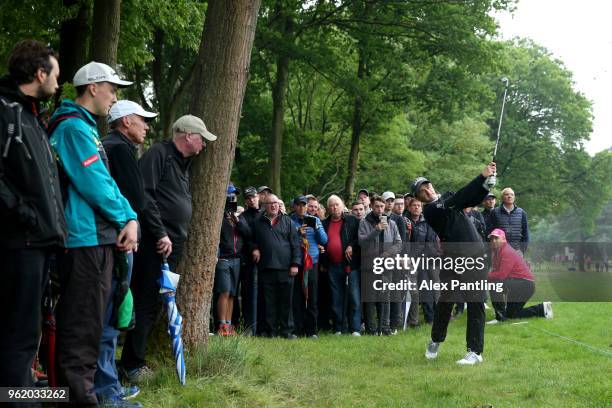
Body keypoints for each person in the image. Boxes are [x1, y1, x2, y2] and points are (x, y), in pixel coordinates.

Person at [49, 61, 139, 405]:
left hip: (95, 238)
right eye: (112, 89)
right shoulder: (72, 128)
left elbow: (105, 182)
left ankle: (81, 396)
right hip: (83, 240)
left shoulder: (83, 127)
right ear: (93, 88)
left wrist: (128, 217)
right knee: (81, 330)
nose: (115, 97)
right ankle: (78, 400)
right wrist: (128, 217)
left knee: (90, 327)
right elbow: (95, 184)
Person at [121, 114, 216, 383]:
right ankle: (132, 365)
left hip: (172, 245)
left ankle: (133, 360)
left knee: (159, 303)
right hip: (155, 243)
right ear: (188, 136)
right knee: (146, 300)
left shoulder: (183, 163)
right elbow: (144, 195)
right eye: (202, 138)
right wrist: (160, 232)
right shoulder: (158, 154)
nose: (205, 145)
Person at [0, 40, 66, 391]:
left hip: (39, 243)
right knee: (19, 335)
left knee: (29, 333)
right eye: (55, 74)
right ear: (39, 73)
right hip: (18, 242)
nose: (58, 82)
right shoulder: (5, 111)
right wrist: (25, 214)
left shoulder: (32, 115)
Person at [95, 100, 158, 405]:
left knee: (113, 315)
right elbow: (137, 198)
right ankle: (107, 391)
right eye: (142, 120)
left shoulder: (112, 145)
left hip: (111, 240)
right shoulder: (119, 148)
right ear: (125, 121)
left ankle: (108, 386)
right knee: (110, 318)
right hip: (118, 242)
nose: (147, 126)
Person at [412, 162, 496, 365]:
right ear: (419, 198)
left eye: (427, 186)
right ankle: (436, 339)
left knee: (476, 301)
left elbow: (471, 198)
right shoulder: (431, 210)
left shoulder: (448, 197)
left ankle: (475, 352)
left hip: (474, 254)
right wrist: (480, 176)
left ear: (432, 186)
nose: (426, 191)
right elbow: (460, 197)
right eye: (421, 192)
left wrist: (486, 185)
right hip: (452, 258)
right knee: (446, 300)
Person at [251, 194, 301, 338]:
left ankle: (287, 331)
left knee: (286, 303)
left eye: (275, 203)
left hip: (286, 268)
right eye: (270, 203)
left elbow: (296, 245)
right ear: (264, 206)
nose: (273, 205)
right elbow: (250, 239)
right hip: (266, 268)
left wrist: (295, 264)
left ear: (279, 205)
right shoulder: (257, 222)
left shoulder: (288, 222)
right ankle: (270, 331)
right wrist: (254, 248)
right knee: (269, 303)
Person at [486, 229, 553, 323]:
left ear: (504, 239)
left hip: (524, 285)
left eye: (496, 238)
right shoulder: (498, 252)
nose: (493, 240)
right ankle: (542, 309)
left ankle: (500, 317)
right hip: (518, 284)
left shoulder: (506, 252)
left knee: (495, 284)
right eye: (492, 238)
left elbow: (501, 275)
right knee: (511, 314)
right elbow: (496, 272)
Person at [359, 195, 402, 336]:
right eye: (376, 206)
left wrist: (389, 253)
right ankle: (371, 329)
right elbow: (362, 243)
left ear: (385, 208)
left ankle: (385, 327)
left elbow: (399, 243)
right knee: (370, 298)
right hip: (369, 266)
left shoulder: (392, 223)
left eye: (381, 207)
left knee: (385, 297)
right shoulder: (365, 222)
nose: (379, 209)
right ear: (371, 206)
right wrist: (376, 229)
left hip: (386, 265)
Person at [321, 195, 362, 335]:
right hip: (332, 265)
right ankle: (339, 328)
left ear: (342, 204)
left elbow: (359, 238)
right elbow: (321, 241)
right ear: (328, 208)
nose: (335, 207)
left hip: (350, 265)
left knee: (354, 297)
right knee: (336, 298)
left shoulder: (351, 220)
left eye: (337, 204)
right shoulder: (324, 223)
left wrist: (351, 245)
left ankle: (355, 328)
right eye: (331, 205)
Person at [215, 183, 251, 336]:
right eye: (229, 196)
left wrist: (238, 221)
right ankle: (221, 324)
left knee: (232, 294)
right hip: (223, 259)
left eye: (234, 196)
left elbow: (248, 234)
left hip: (237, 259)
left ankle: (229, 325)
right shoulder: (218, 216)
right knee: (224, 291)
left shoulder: (239, 217)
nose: (232, 198)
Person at [290, 196, 328, 337]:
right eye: (299, 205)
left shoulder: (315, 220)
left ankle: (312, 330)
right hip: (296, 262)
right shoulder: (289, 221)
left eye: (304, 205)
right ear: (294, 206)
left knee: (312, 297)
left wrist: (317, 228)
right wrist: (297, 233)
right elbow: (285, 240)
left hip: (312, 262)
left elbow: (324, 240)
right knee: (297, 297)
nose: (302, 208)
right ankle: (297, 330)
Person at [407, 197, 440, 325]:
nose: (416, 207)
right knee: (414, 291)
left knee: (430, 288)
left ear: (422, 208)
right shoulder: (405, 221)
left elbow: (430, 240)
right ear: (409, 208)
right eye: (413, 205)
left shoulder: (427, 222)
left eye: (418, 205)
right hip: (411, 261)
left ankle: (432, 317)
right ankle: (413, 320)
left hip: (427, 258)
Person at [239, 186, 260, 334]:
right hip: (248, 259)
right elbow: (247, 236)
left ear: (258, 197)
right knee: (248, 294)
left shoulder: (265, 214)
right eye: (248, 198)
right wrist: (253, 248)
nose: (251, 200)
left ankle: (262, 327)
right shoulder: (243, 217)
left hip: (266, 259)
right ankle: (249, 327)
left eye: (253, 197)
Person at [490, 188, 530, 255]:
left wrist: (522, 249)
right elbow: (490, 231)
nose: (509, 196)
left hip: (517, 250)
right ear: (502, 197)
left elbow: (525, 232)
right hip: (500, 250)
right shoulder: (494, 212)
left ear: (514, 197)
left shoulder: (522, 212)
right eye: (506, 194)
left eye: (512, 194)